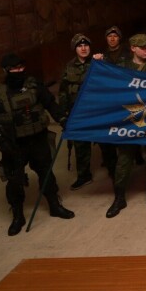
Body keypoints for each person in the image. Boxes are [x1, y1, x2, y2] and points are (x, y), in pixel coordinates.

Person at [0, 53, 75, 235]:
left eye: (21, 67)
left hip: (38, 138)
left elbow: (50, 104)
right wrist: (1, 142)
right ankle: (18, 215)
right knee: (14, 179)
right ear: (6, 71)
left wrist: (63, 120)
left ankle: (54, 205)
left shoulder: (35, 86)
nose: (19, 71)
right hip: (14, 144)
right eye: (14, 69)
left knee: (46, 173)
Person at [106, 34, 146, 218]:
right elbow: (110, 87)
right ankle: (119, 196)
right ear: (133, 48)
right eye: (143, 47)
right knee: (124, 158)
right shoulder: (123, 67)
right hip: (129, 118)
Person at [58, 33, 97, 190]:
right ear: (75, 49)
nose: (83, 48)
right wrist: (63, 115)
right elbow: (63, 92)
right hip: (78, 112)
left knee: (106, 143)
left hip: (96, 111)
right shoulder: (69, 67)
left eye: (86, 45)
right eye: (80, 46)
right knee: (80, 145)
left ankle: (113, 170)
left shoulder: (97, 63)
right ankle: (84, 175)